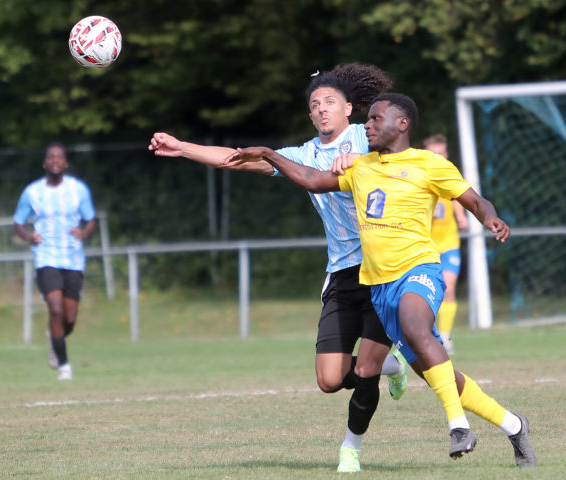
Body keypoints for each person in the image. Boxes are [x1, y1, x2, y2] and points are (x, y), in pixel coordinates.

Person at [224, 92, 537, 467]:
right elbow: (311, 179)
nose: (367, 126)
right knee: (439, 374)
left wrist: (490, 218)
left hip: (419, 270)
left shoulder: (428, 164)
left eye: (375, 119)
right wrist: (271, 155)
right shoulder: (361, 167)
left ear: (402, 124)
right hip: (380, 286)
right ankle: (514, 424)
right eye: (368, 119)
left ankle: (458, 426)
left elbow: (474, 200)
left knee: (415, 325)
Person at [149, 64, 409, 473]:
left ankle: (352, 448)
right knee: (328, 379)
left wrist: (361, 159)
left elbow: (401, 155)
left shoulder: (368, 135)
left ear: (348, 108)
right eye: (314, 105)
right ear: (310, 116)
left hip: (386, 266)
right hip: (343, 273)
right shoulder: (304, 155)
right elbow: (235, 160)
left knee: (365, 367)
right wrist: (183, 147)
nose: (322, 109)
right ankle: (392, 365)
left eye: (329, 102)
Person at [13, 142, 96, 381]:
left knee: (69, 318)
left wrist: (85, 232)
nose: (55, 160)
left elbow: (91, 220)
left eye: (59, 157)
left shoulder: (78, 190)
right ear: (45, 163)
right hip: (46, 257)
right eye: (51, 157)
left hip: (73, 259)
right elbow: (18, 222)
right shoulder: (32, 192)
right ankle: (64, 366)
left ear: (66, 163)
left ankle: (55, 338)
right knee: (55, 308)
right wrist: (28, 236)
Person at [424, 134, 468, 354]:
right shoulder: (420, 178)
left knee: (448, 289)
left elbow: (457, 195)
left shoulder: (448, 176)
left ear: (446, 155)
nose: (438, 157)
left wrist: (461, 216)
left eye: (441, 153)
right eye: (433, 153)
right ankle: (427, 335)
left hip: (449, 244)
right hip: (425, 247)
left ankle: (445, 335)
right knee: (427, 293)